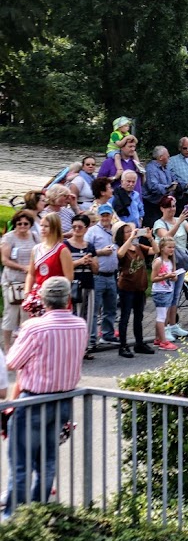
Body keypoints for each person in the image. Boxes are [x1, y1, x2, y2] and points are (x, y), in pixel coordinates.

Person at [2, 276, 85, 520]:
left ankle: (14, 521)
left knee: (21, 464)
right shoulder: (80, 324)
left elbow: (12, 362)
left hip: (33, 401)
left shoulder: (35, 327)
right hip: (63, 401)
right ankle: (40, 514)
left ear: (42, 299)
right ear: (67, 298)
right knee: (47, 461)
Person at [152, 196, 188, 341]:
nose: (172, 209)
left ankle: (174, 325)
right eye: (169, 206)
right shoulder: (158, 223)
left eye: (174, 205)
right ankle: (166, 327)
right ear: (162, 208)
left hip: (179, 261)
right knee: (167, 296)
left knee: (175, 295)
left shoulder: (180, 220)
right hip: (165, 263)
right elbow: (166, 238)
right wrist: (179, 222)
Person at [115, 222, 155, 358]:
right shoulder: (123, 248)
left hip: (140, 287)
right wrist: (131, 238)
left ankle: (139, 343)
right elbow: (120, 254)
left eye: (130, 231)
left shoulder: (138, 247)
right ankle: (123, 346)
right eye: (127, 231)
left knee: (139, 317)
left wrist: (150, 238)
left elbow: (154, 250)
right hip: (127, 288)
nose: (130, 233)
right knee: (125, 317)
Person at [23, 213, 74, 316]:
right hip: (39, 295)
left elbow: (69, 277)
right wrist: (27, 292)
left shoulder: (62, 250)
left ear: (54, 227)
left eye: (46, 226)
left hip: (56, 296)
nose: (42, 229)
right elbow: (31, 273)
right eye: (41, 225)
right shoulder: (36, 249)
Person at [2, 210, 39, 352]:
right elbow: (5, 260)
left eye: (26, 224)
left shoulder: (35, 237)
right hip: (11, 281)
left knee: (26, 314)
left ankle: (23, 345)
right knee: (10, 313)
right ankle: (6, 346)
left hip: (29, 282)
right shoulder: (8, 238)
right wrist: (23, 267)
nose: (22, 226)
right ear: (15, 224)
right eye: (19, 224)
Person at [64, 214, 98, 360]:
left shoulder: (90, 246)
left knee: (87, 317)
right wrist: (79, 262)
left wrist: (90, 262)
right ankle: (72, 349)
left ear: (86, 228)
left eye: (80, 227)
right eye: (74, 227)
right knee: (74, 317)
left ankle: (84, 348)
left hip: (88, 284)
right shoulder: (65, 246)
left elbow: (97, 269)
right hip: (72, 285)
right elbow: (64, 266)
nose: (77, 229)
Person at [86, 204, 119, 347]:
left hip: (112, 275)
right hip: (97, 275)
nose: (106, 218)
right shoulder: (92, 232)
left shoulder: (116, 230)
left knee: (110, 308)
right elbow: (87, 251)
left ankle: (108, 334)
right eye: (103, 215)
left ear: (112, 215)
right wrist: (101, 252)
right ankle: (91, 339)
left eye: (108, 215)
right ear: (99, 216)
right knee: (94, 309)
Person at [149, 239, 181, 351]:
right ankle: (163, 341)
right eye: (169, 247)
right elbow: (153, 278)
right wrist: (166, 276)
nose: (172, 249)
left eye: (173, 247)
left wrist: (173, 276)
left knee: (164, 316)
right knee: (161, 317)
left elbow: (175, 277)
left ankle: (158, 338)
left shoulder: (171, 261)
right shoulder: (159, 261)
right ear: (162, 248)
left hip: (168, 290)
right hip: (160, 292)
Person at [142, 146, 180, 228]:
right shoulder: (151, 168)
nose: (169, 157)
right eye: (168, 155)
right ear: (161, 157)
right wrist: (168, 188)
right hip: (153, 206)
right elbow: (153, 186)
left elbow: (176, 179)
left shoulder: (167, 168)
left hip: (165, 205)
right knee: (154, 229)